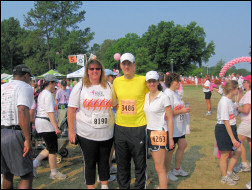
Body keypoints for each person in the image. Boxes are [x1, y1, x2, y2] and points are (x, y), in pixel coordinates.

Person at [68, 59, 117, 189]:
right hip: (86, 132)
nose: (94, 71)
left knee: (105, 161)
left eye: (97, 69)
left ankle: (105, 186)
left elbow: (115, 105)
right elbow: (71, 109)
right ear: (87, 71)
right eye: (91, 69)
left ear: (101, 71)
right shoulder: (80, 86)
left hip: (107, 132)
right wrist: (71, 131)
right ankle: (91, 187)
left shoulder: (109, 86)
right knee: (89, 162)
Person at [113, 53, 149, 189]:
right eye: (124, 64)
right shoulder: (117, 82)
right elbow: (113, 100)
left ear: (134, 65)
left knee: (140, 163)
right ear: (121, 66)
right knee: (122, 164)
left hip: (139, 127)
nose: (126, 66)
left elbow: (155, 95)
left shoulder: (143, 80)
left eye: (129, 63)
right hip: (120, 128)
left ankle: (140, 187)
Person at [1, 64, 34, 189]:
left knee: (7, 174)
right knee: (26, 175)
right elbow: (22, 110)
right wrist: (27, 138)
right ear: (26, 76)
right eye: (29, 77)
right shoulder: (25, 87)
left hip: (2, 130)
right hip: (14, 133)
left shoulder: (3, 87)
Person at [33, 74, 67, 180]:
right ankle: (54, 172)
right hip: (46, 124)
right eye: (55, 83)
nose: (56, 86)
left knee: (49, 146)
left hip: (42, 122)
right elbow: (50, 113)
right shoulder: (47, 95)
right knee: (53, 149)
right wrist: (56, 127)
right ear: (50, 83)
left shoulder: (43, 93)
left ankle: (34, 163)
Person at [143, 71, 174, 189]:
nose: (151, 84)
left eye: (153, 81)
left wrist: (170, 138)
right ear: (146, 83)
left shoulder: (164, 97)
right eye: (149, 82)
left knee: (159, 167)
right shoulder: (146, 96)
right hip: (147, 132)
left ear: (157, 82)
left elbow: (170, 118)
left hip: (159, 132)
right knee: (150, 165)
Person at [164, 73, 191, 182]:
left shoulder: (175, 93)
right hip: (172, 128)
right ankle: (166, 172)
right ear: (170, 81)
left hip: (179, 127)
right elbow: (167, 114)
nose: (179, 83)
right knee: (170, 150)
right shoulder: (167, 94)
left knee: (183, 144)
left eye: (179, 80)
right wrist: (181, 110)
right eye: (177, 81)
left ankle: (177, 169)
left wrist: (183, 108)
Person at [215, 80, 241, 185]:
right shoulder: (224, 102)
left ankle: (229, 172)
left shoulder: (230, 101)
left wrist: (237, 104)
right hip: (223, 129)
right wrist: (233, 139)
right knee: (225, 154)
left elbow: (233, 116)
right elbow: (226, 122)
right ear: (232, 89)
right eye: (237, 88)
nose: (239, 90)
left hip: (232, 127)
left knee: (238, 150)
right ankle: (224, 177)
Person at [233, 75, 251, 188]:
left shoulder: (249, 94)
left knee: (238, 142)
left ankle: (244, 165)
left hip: (247, 122)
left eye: (245, 82)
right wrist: (240, 92)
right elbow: (241, 99)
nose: (243, 84)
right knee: (249, 143)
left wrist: (237, 108)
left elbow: (246, 109)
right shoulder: (247, 93)